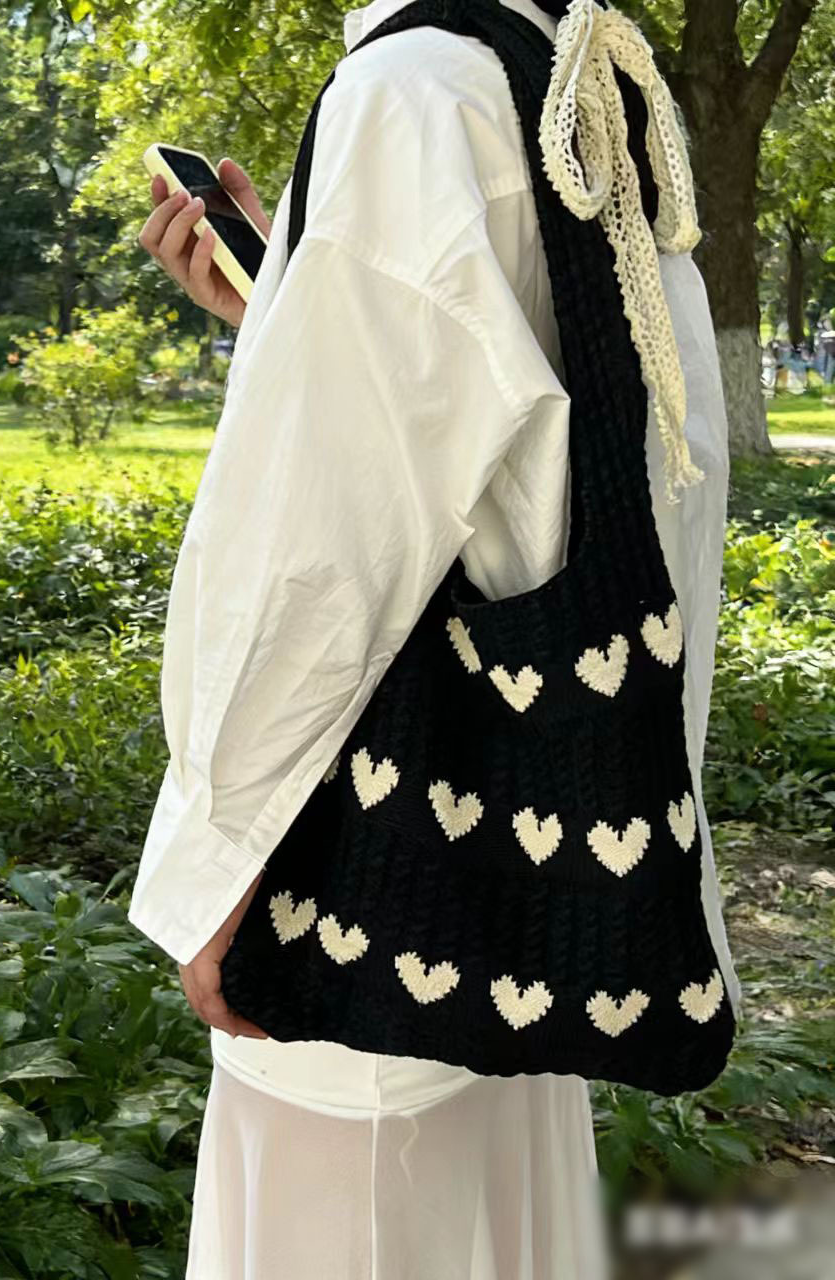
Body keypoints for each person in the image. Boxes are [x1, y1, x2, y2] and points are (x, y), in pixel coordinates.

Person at [129, 0, 742, 1275]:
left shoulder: (409, 91)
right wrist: (291, 314)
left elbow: (317, 540)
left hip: (360, 881)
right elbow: (577, 469)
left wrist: (222, 848)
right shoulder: (564, 79)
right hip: (515, 884)